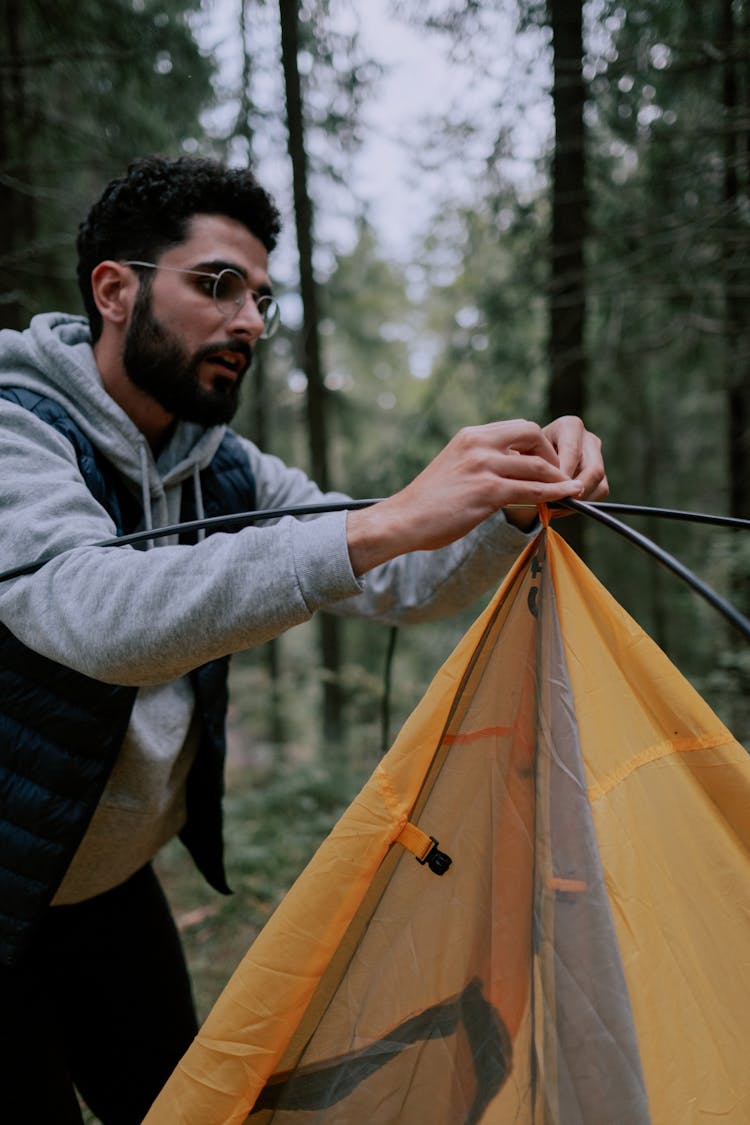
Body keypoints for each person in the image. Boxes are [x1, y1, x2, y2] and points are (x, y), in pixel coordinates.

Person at [0, 155, 607, 1124]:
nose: (248, 321)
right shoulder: (14, 427)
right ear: (115, 290)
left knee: (179, 1106)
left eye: (261, 298)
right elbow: (90, 612)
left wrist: (511, 508)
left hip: (109, 885)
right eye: (215, 285)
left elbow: (404, 576)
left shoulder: (224, 469)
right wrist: (388, 518)